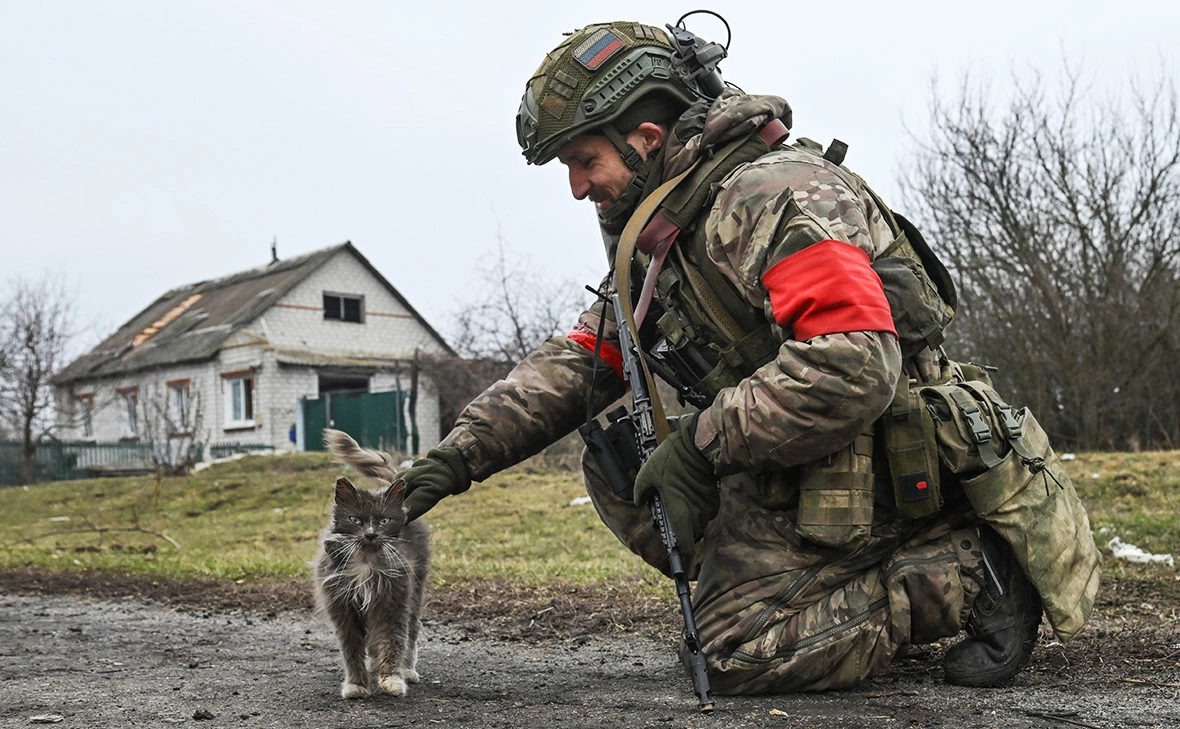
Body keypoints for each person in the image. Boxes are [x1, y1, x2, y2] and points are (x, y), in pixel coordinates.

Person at [395, 19, 1100, 694]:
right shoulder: (669, 223)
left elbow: (853, 363)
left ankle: (973, 567)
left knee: (737, 653)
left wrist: (703, 444)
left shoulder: (777, 195)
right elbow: (590, 354)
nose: (578, 186)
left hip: (901, 461)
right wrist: (456, 458)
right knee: (619, 462)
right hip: (816, 452)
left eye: (585, 161)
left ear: (646, 136)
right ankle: (783, 587)